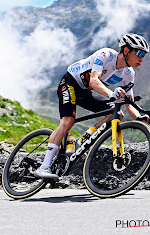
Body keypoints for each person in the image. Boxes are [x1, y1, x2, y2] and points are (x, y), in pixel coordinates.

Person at [35, 33, 150, 179]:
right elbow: (94, 81)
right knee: (68, 121)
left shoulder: (129, 73)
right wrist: (110, 94)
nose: (141, 58)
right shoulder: (106, 55)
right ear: (126, 50)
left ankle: (80, 141)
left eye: (144, 55)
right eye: (139, 53)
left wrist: (140, 117)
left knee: (116, 115)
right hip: (70, 83)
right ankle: (43, 167)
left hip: (85, 93)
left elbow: (128, 103)